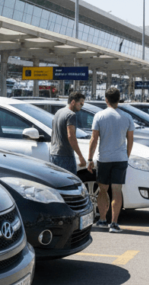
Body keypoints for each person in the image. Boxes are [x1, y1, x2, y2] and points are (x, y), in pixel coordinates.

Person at [87, 87, 135, 233]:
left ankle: (102, 219)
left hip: (104, 159)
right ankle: (114, 224)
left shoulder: (99, 116)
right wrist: (126, 155)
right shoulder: (127, 117)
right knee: (117, 191)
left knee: (102, 190)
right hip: (120, 159)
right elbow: (130, 140)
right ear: (119, 99)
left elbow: (94, 139)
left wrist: (90, 158)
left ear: (106, 100)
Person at [49, 91, 88, 174]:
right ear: (73, 102)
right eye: (81, 103)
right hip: (65, 155)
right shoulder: (71, 115)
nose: (82, 106)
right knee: (70, 183)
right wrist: (80, 156)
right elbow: (71, 136)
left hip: (54, 154)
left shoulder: (58, 112)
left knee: (57, 183)